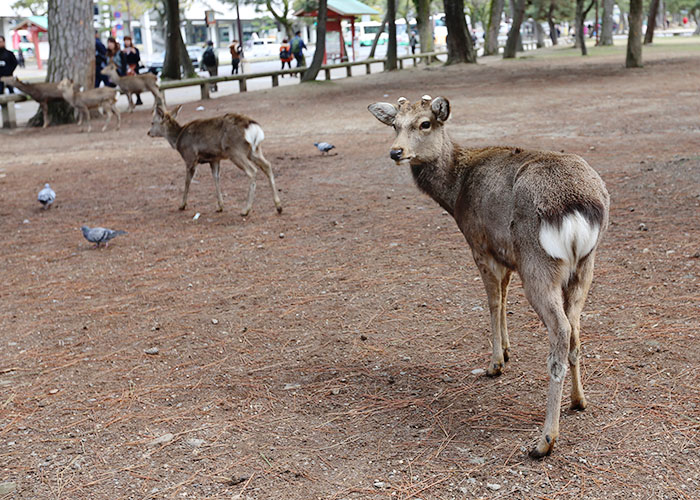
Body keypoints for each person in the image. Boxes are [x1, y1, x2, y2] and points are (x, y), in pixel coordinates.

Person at [122, 36, 143, 105]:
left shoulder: (135, 49)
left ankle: (138, 98)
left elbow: (138, 59)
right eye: (125, 40)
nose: (127, 42)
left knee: (136, 84)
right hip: (127, 70)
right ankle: (130, 101)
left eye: (128, 40)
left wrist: (134, 53)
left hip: (134, 69)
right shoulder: (123, 51)